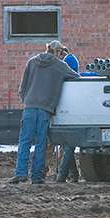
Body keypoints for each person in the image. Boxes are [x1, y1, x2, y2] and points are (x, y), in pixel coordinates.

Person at [13, 41, 79, 185]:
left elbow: (22, 87)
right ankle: (37, 177)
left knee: (24, 141)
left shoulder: (32, 62)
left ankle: (20, 174)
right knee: (41, 144)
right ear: (57, 52)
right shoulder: (59, 65)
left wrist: (27, 100)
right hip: (45, 110)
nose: (62, 57)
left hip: (29, 107)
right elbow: (76, 77)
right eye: (62, 54)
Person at [54, 46, 84, 182]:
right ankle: (71, 174)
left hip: (70, 115)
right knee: (66, 145)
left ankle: (63, 174)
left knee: (68, 145)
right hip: (67, 114)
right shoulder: (69, 78)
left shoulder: (69, 78)